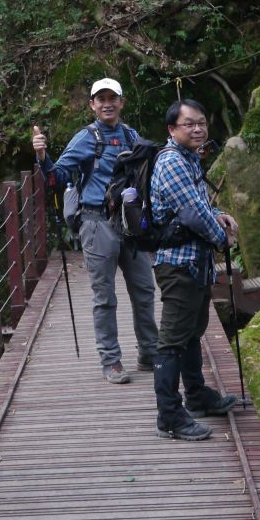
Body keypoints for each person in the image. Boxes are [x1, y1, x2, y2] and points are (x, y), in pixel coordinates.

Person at [32, 78, 158, 384]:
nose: (107, 103)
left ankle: (149, 353)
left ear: (121, 102)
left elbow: (147, 174)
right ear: (92, 105)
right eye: (100, 99)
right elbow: (57, 177)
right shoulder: (85, 138)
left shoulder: (131, 136)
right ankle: (111, 360)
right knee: (105, 296)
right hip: (96, 221)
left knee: (144, 289)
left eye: (112, 98)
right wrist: (41, 156)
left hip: (130, 223)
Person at [150, 99, 239, 440]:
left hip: (194, 263)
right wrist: (222, 237)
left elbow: (200, 208)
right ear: (172, 129)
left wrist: (220, 217)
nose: (198, 128)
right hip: (177, 264)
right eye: (189, 124)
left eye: (201, 122)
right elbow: (190, 213)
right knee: (172, 339)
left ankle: (198, 396)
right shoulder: (172, 161)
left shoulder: (190, 159)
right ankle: (170, 416)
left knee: (191, 332)